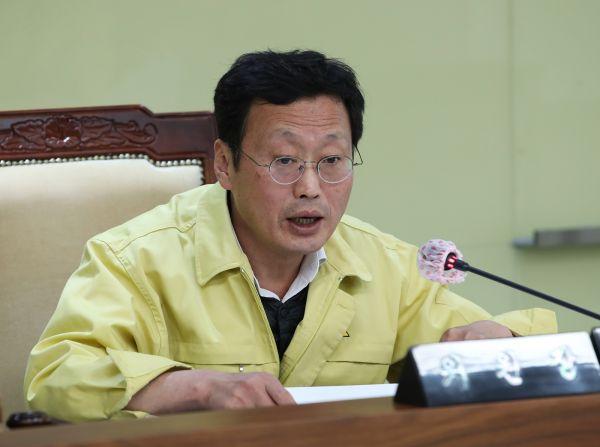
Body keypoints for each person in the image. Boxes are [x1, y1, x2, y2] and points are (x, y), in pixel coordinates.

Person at [24, 50, 556, 422]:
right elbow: (57, 375)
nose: (310, 188)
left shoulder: (385, 265)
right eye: (284, 161)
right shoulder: (135, 258)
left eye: (332, 161)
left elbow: (514, 349)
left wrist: (497, 342)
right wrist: (195, 387)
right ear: (225, 164)